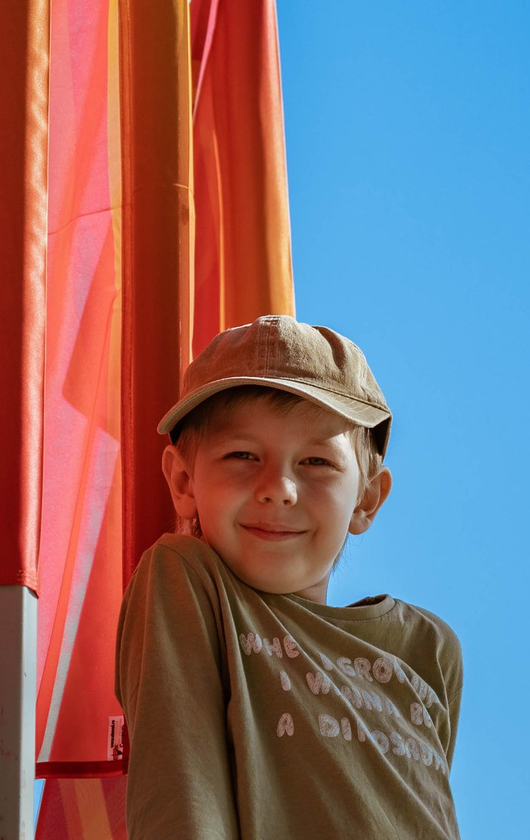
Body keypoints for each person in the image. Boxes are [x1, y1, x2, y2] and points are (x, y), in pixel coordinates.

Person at [116, 315, 462, 839]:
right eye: (242, 455)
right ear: (184, 481)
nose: (277, 487)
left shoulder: (428, 648)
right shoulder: (189, 582)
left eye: (316, 462)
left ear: (366, 500)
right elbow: (180, 794)